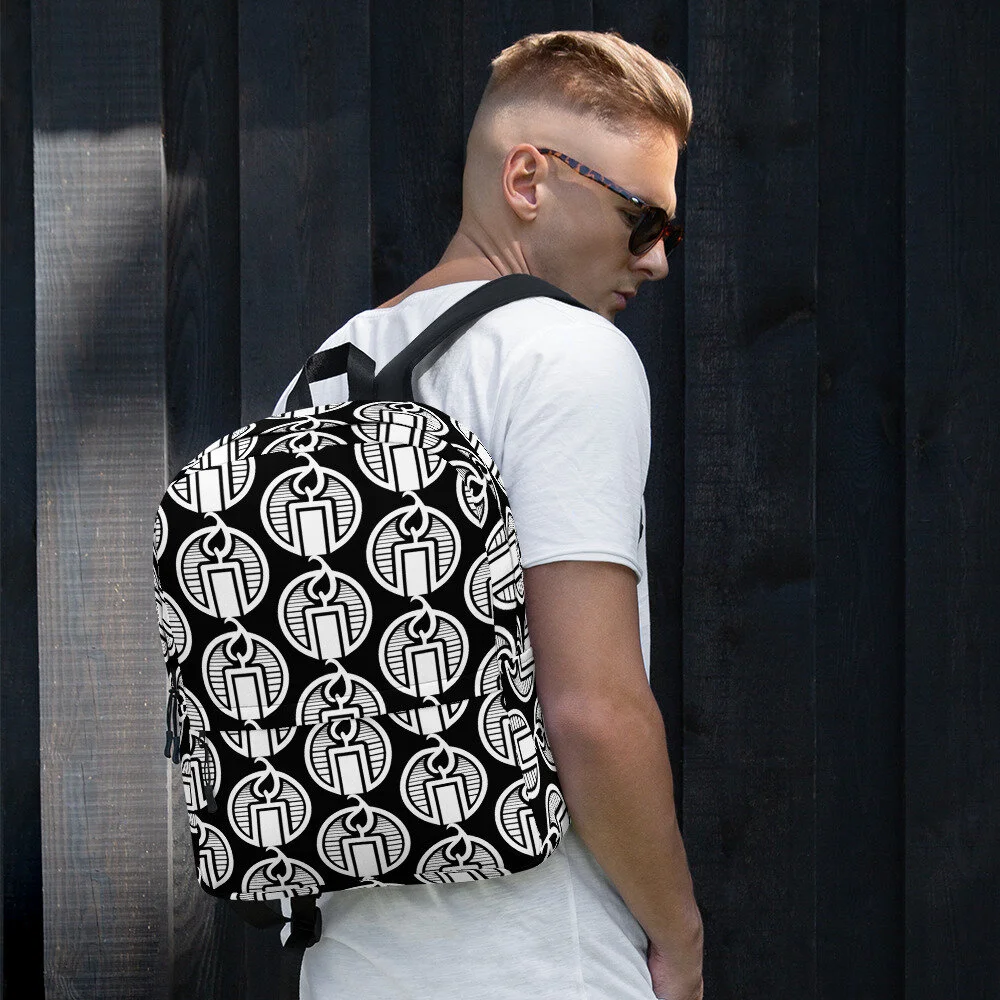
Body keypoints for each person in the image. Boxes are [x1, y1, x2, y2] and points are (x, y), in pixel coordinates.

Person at [275, 28, 703, 1000]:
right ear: (527, 179)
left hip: (348, 968)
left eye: (667, 235)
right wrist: (680, 936)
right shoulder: (567, 352)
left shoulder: (320, 376)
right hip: (541, 962)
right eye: (642, 220)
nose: (657, 261)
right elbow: (589, 707)